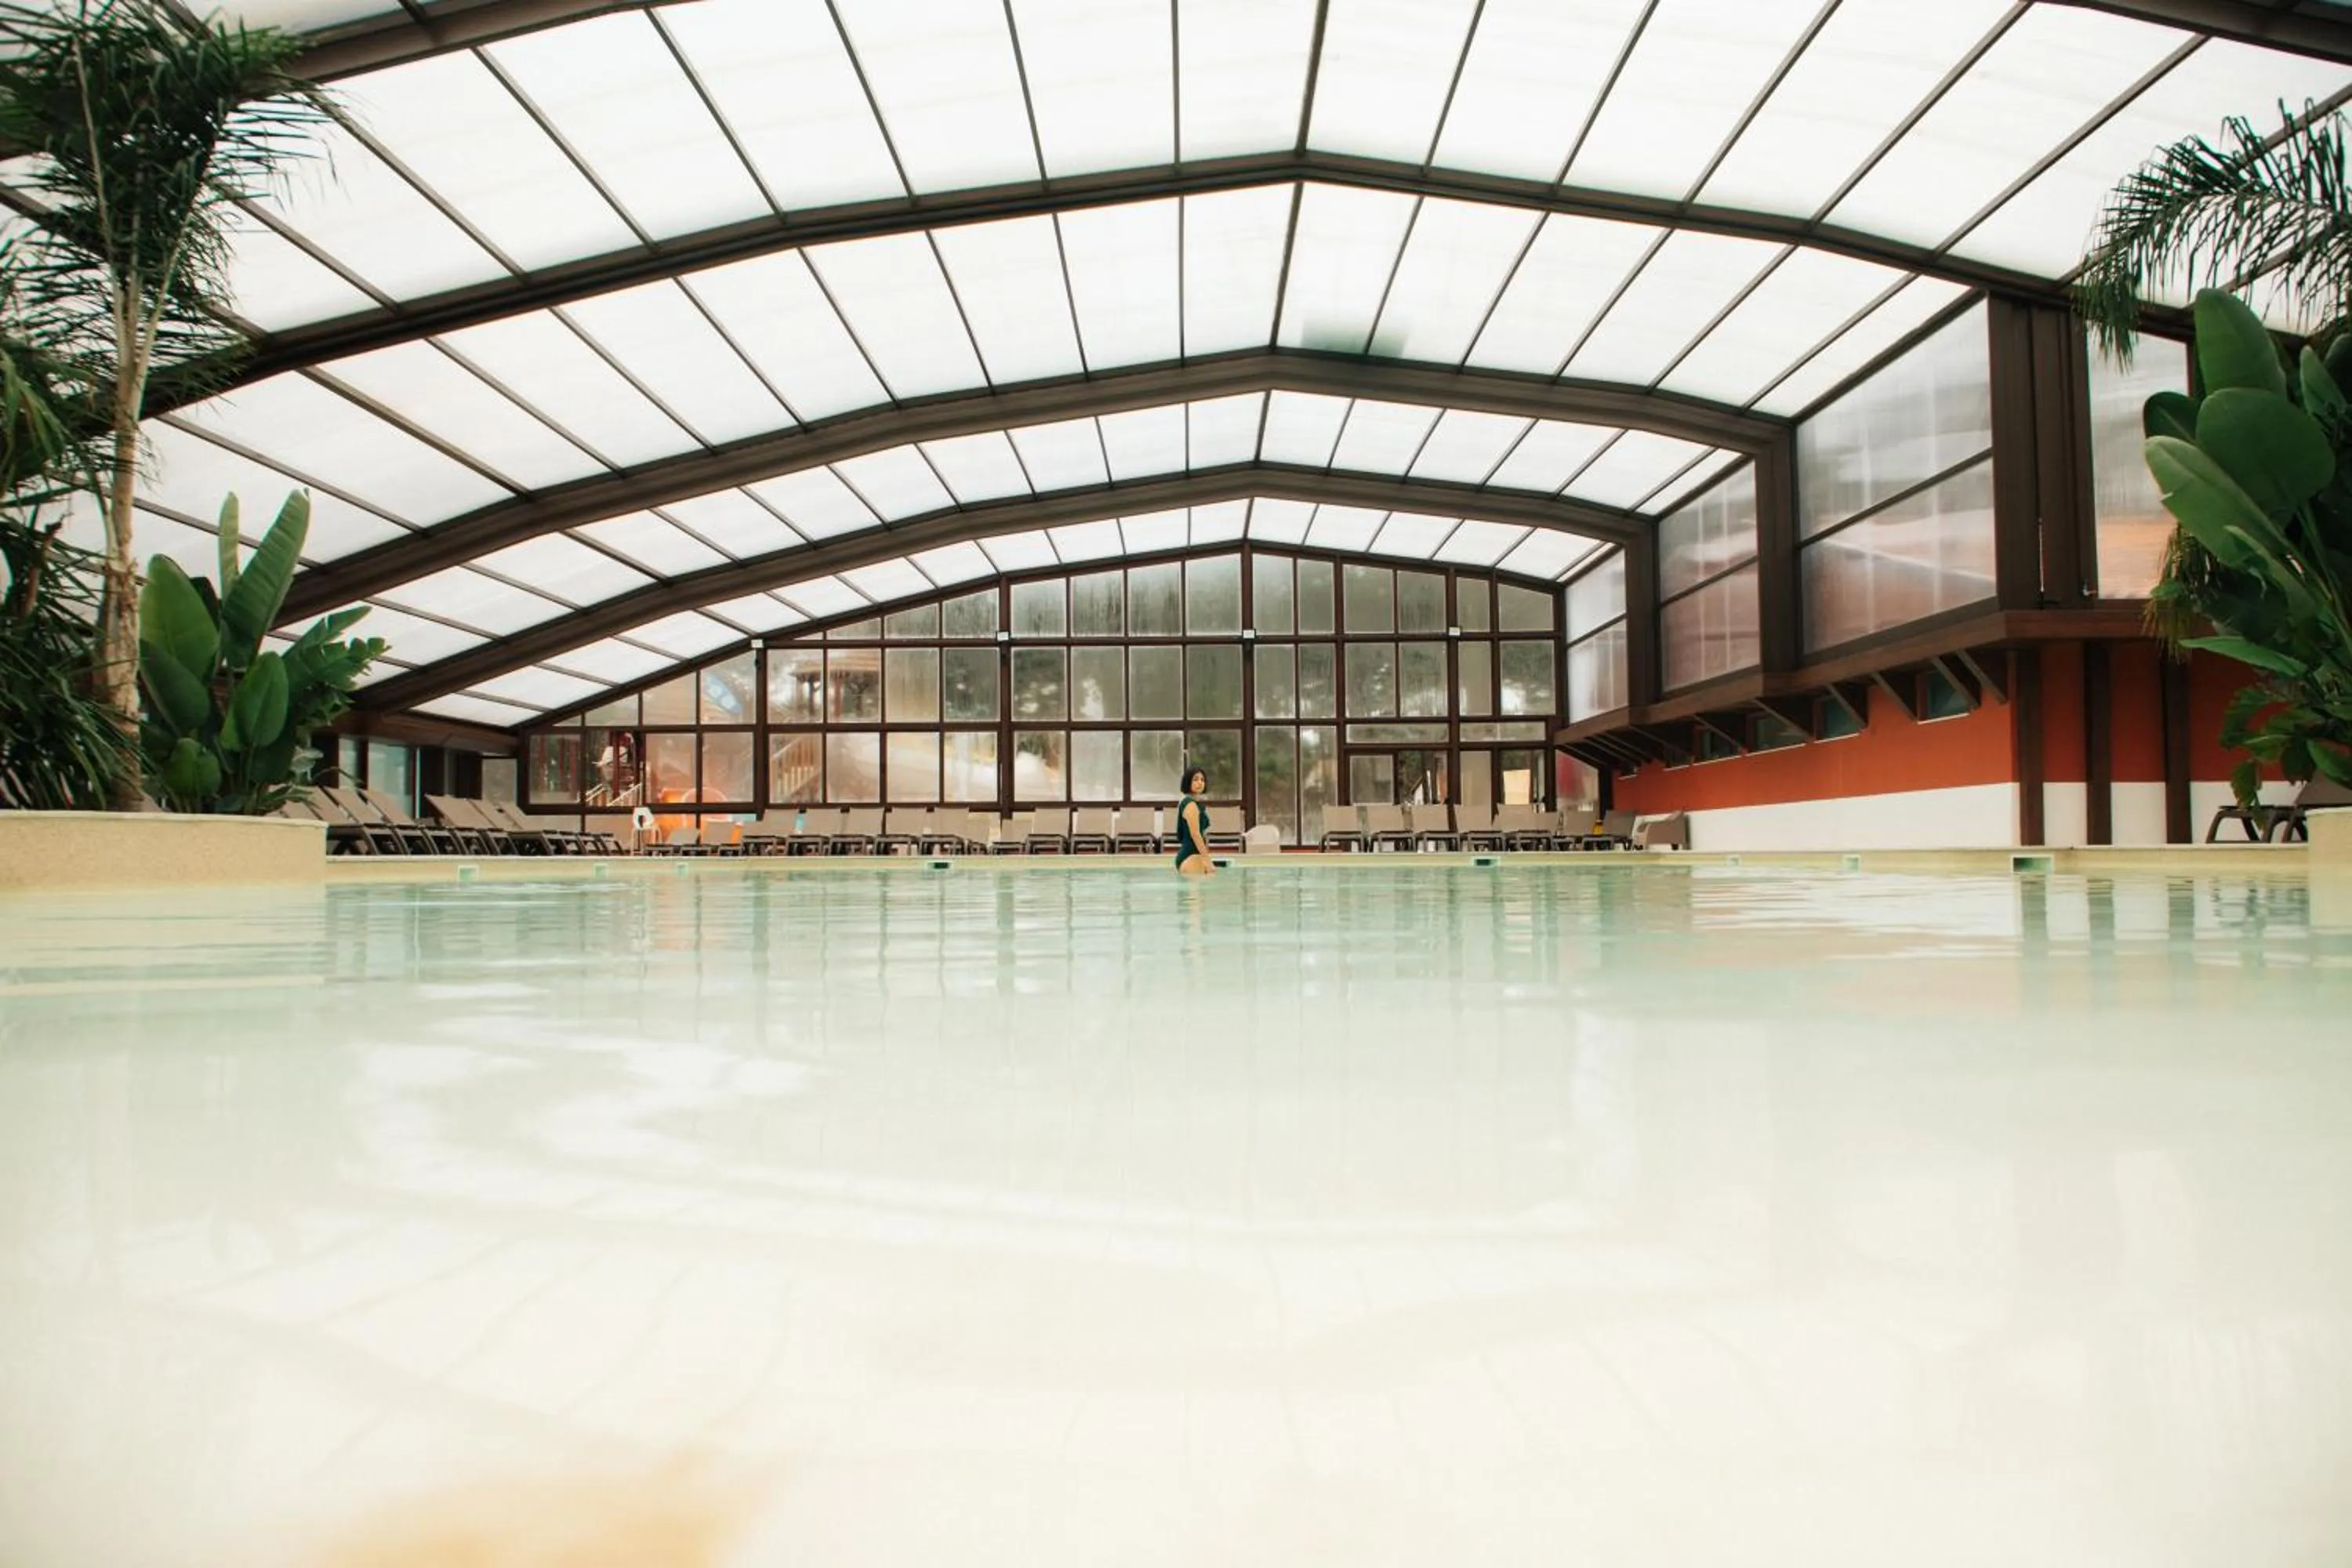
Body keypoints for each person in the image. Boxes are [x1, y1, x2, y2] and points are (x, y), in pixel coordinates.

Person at [1173, 765, 1215, 877]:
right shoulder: (1190, 805)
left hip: (1192, 855)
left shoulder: (1192, 803)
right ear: (1188, 782)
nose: (1200, 783)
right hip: (1191, 855)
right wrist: (1207, 860)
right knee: (1196, 892)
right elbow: (1196, 834)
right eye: (1195, 779)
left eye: (1202, 780)